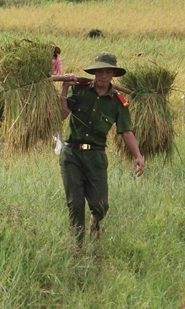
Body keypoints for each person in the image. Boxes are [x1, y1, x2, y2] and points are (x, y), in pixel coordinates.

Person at [58, 52, 144, 246]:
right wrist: (64, 87)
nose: (103, 76)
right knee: (75, 203)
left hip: (96, 156)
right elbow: (63, 113)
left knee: (100, 206)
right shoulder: (79, 90)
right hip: (72, 154)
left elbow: (126, 131)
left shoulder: (118, 101)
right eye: (99, 71)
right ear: (94, 72)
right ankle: (77, 246)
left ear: (113, 74)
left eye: (108, 71)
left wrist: (138, 155)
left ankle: (95, 222)